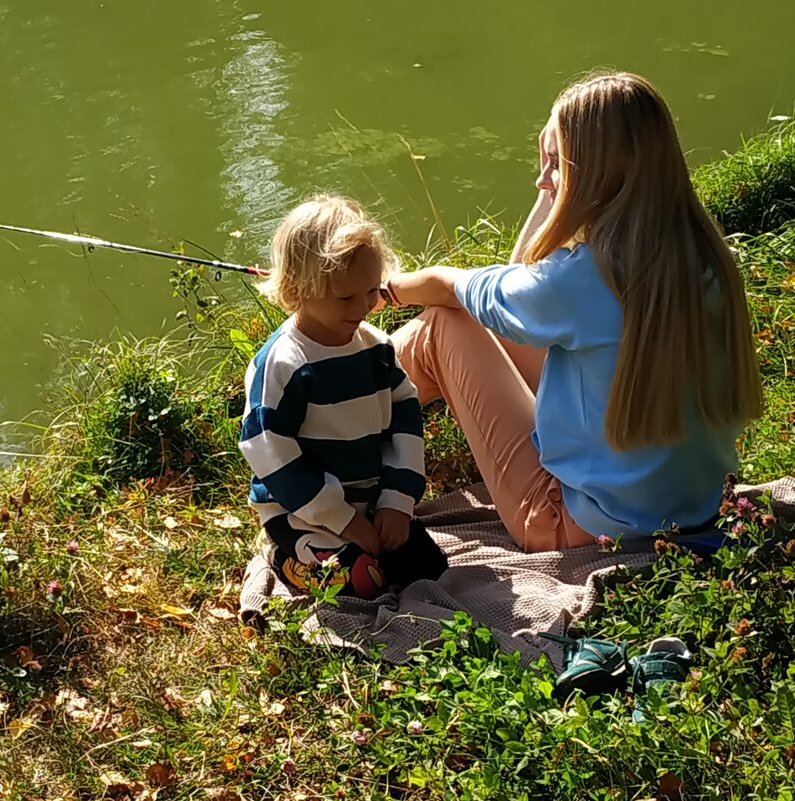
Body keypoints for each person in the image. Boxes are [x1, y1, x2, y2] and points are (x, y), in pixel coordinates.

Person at [380, 71, 762, 552]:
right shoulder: (706, 258)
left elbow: (448, 285)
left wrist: (385, 290)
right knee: (495, 314)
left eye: (555, 165)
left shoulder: (583, 278)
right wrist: (559, 175)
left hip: (577, 526)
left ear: (598, 172)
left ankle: (332, 390)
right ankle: (347, 395)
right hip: (695, 507)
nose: (542, 179)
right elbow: (515, 297)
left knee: (441, 325)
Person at [239, 195, 448, 599]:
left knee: (430, 569)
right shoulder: (285, 365)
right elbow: (271, 454)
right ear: (298, 288)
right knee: (362, 581)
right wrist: (343, 521)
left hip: (370, 501)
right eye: (345, 298)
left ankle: (355, 547)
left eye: (371, 291)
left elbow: (405, 423)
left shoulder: (376, 348)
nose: (364, 308)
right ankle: (283, 556)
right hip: (303, 511)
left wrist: (397, 502)